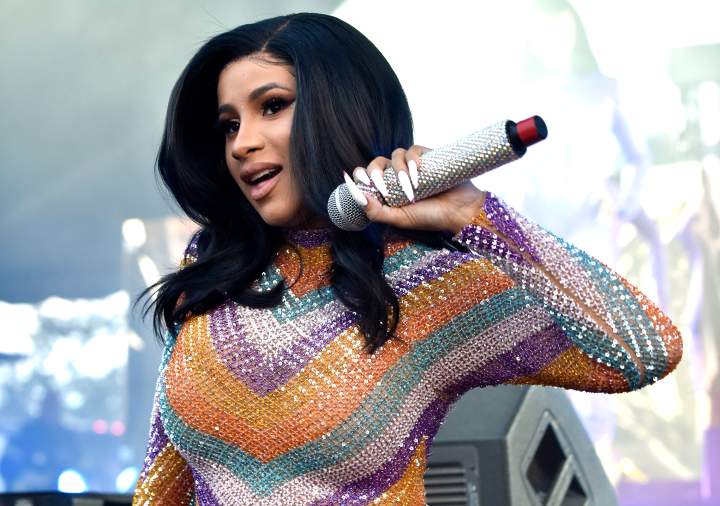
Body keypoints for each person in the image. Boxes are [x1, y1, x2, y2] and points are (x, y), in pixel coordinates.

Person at [132, 12, 682, 505]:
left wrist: (476, 215)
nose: (241, 144)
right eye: (229, 125)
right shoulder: (214, 267)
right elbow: (163, 481)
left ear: (341, 109)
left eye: (272, 107)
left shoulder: (427, 282)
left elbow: (646, 351)